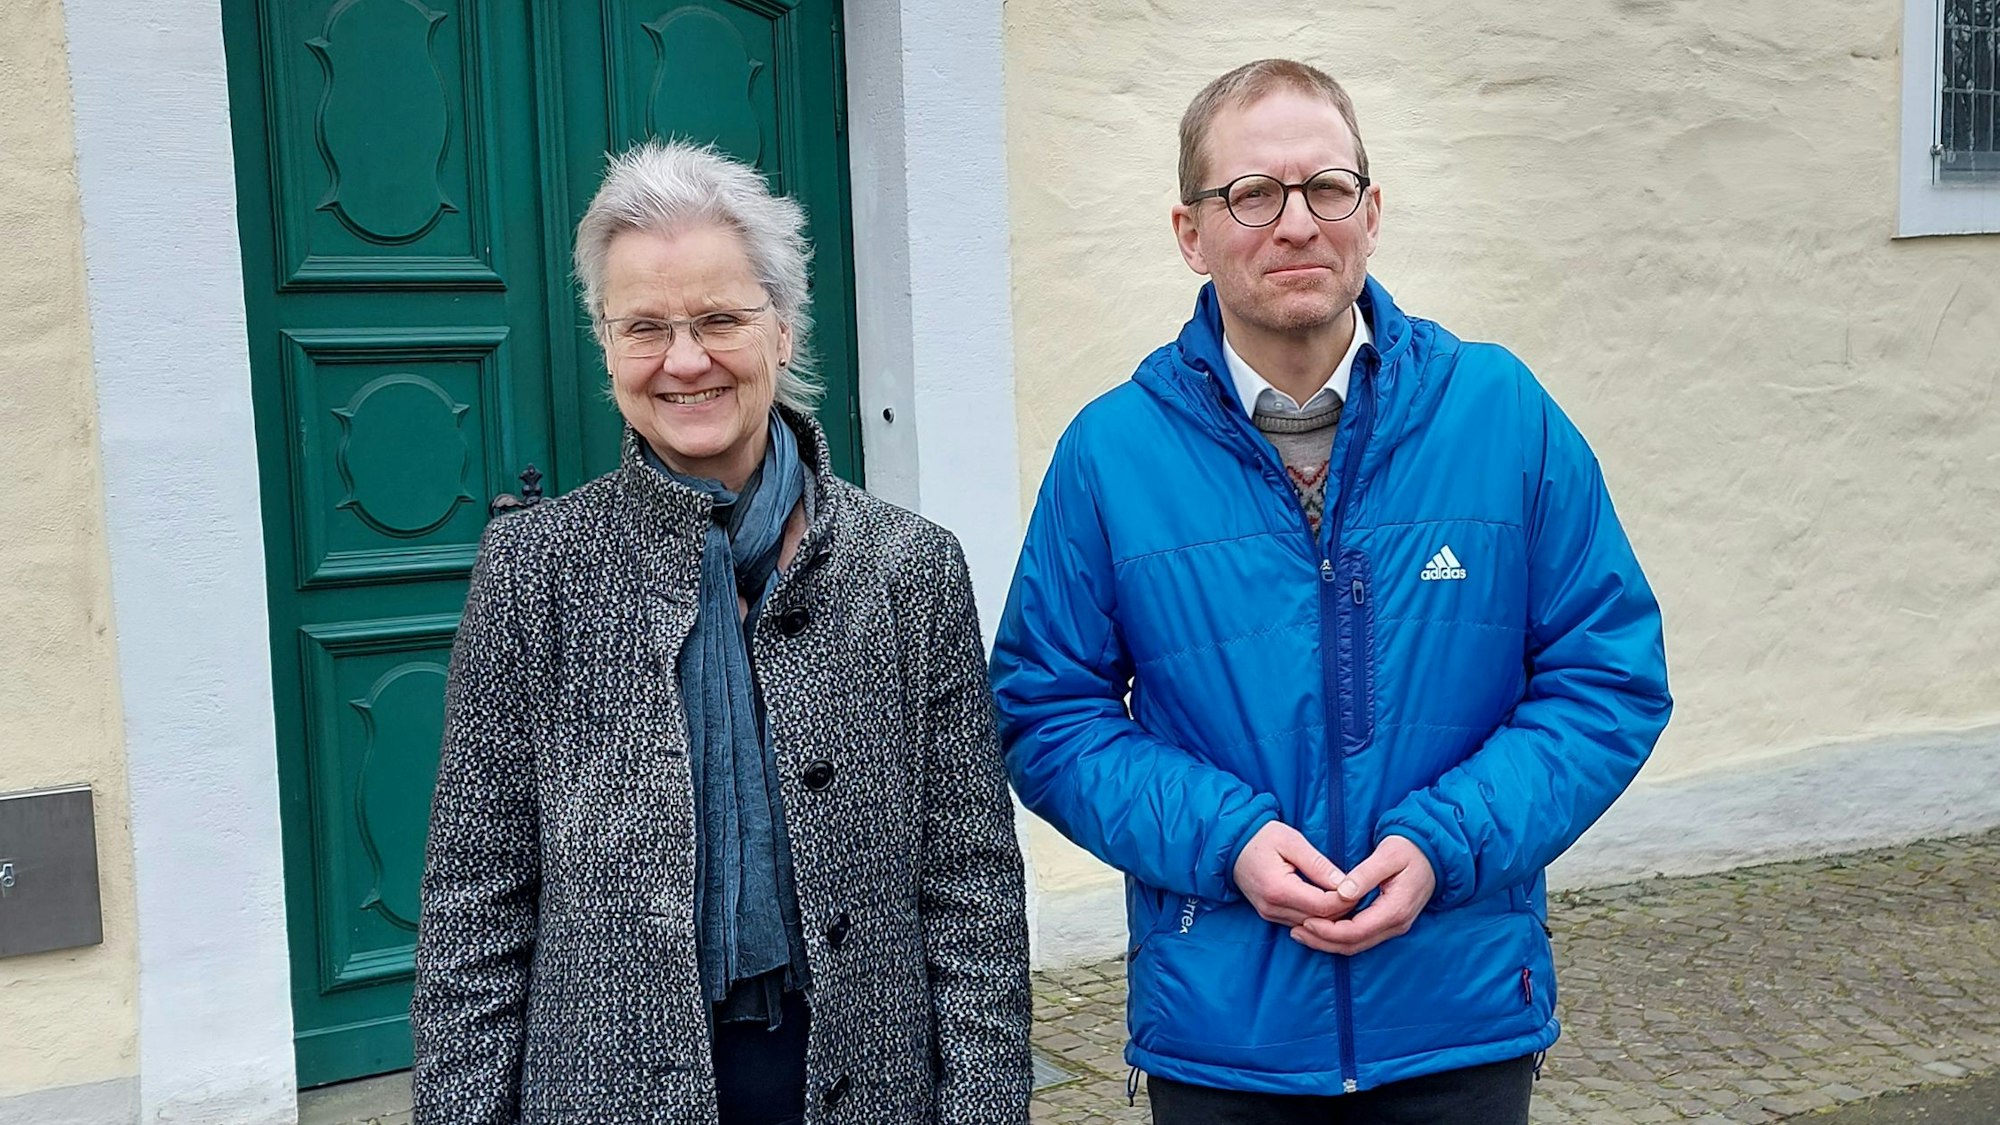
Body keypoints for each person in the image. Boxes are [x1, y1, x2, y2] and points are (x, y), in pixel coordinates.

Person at [991, 59, 1672, 1124]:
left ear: (1371, 212)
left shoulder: (1499, 415)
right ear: (1189, 233)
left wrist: (1441, 845)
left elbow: (1605, 677)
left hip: (1454, 1022)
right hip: (1225, 1041)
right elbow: (1045, 712)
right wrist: (1227, 841)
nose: (1295, 223)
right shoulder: (1111, 456)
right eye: (1251, 195)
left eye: (1326, 189)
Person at [411, 140, 1031, 1125]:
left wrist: (986, 1107)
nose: (683, 359)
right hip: (601, 1088)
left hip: (864, 1081)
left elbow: (969, 885)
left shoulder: (907, 567)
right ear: (605, 343)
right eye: (644, 326)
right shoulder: (534, 570)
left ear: (783, 331)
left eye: (718, 319)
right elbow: (475, 902)